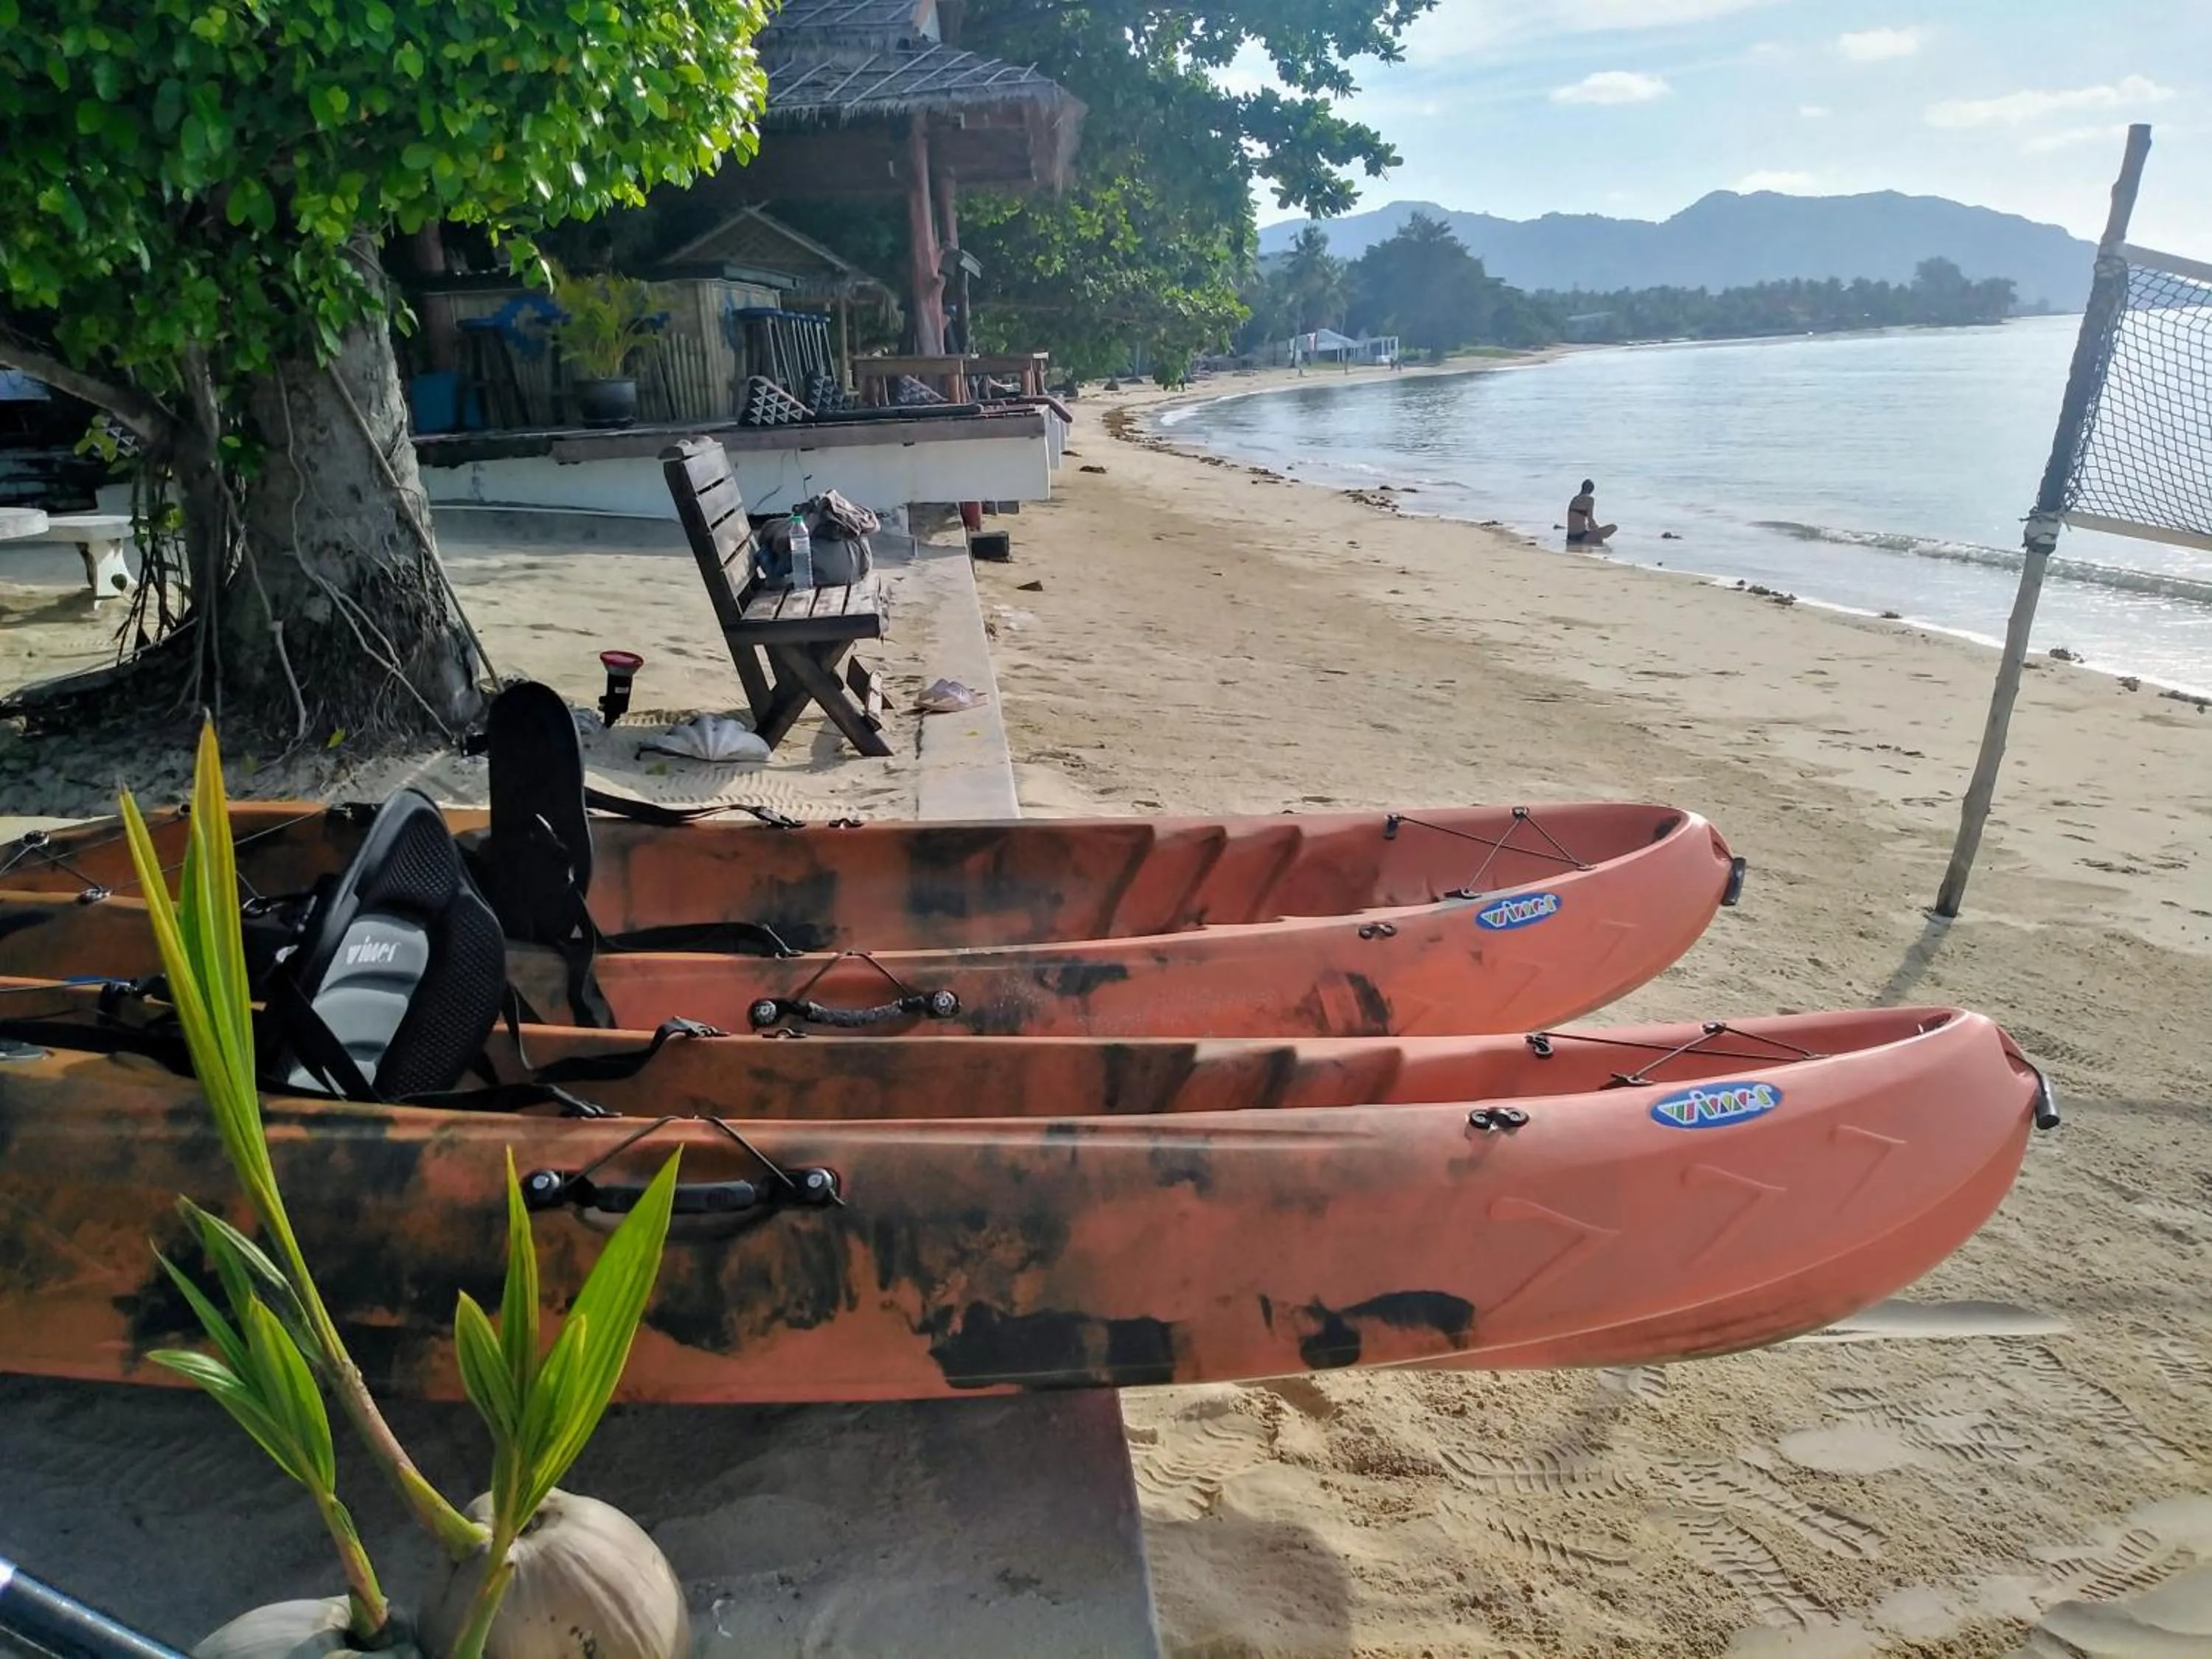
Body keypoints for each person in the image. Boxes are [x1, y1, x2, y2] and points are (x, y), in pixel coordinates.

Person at [1566, 479, 1617, 546]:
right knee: (1613, 527)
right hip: (1581, 537)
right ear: (1591, 490)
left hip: (1570, 537)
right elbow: (1590, 521)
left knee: (1597, 536)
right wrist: (1598, 530)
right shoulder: (1590, 499)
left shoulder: (1574, 499)